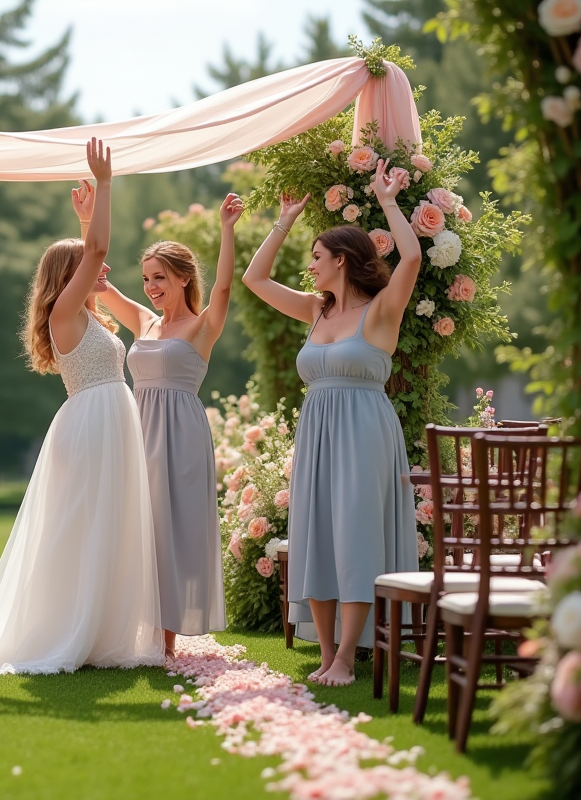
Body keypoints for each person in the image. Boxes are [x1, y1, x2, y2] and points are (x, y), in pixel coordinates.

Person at [0, 139, 162, 675]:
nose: (103, 268)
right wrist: (105, 190)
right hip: (90, 424)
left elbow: (95, 255)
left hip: (111, 423)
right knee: (81, 527)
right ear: (69, 275)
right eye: (91, 265)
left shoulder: (93, 317)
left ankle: (101, 632)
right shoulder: (65, 314)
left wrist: (89, 215)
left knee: (108, 525)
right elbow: (95, 253)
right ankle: (69, 630)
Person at [241, 159, 419, 687]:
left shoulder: (383, 310)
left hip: (365, 431)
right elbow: (254, 278)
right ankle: (325, 655)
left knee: (356, 534)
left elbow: (411, 255)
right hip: (316, 431)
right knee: (316, 534)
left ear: (341, 260)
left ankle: (347, 657)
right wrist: (286, 220)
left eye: (317, 257)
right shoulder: (315, 312)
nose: (311, 266)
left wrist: (388, 202)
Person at [90, 190, 243, 658]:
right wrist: (87, 219)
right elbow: (97, 284)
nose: (152, 286)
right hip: (138, 430)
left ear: (182, 279)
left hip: (181, 436)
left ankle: (168, 641)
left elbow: (221, 290)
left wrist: (226, 229)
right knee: (137, 526)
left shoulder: (201, 327)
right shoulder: (144, 321)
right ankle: (132, 630)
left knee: (174, 528)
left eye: (160, 278)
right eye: (147, 278)